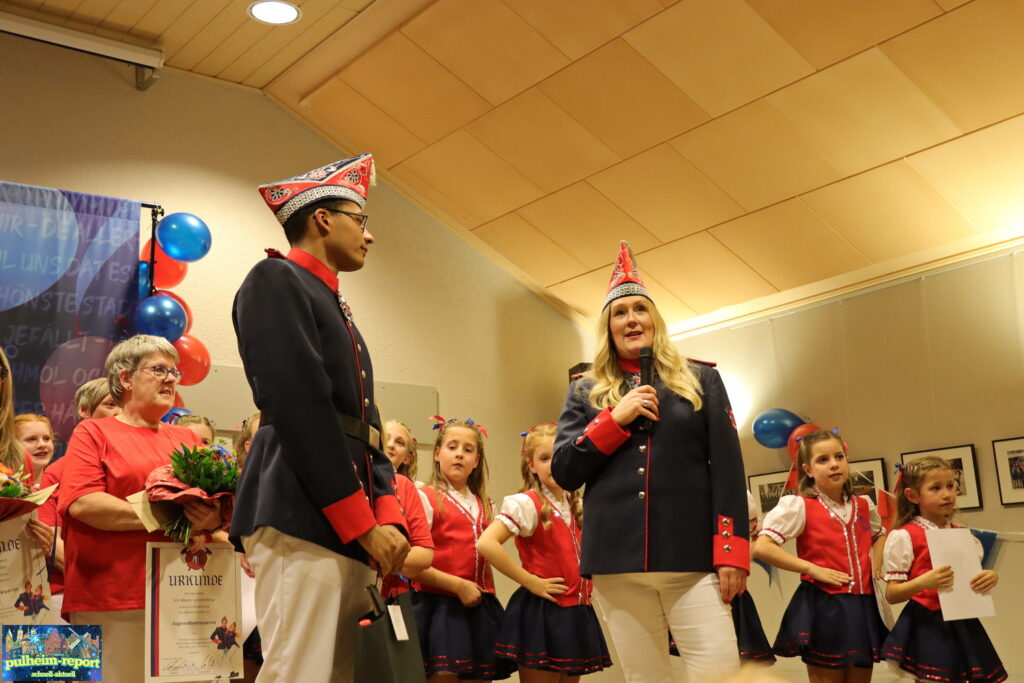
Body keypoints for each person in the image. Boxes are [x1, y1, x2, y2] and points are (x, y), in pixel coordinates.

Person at [231, 154, 409, 683]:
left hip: (339, 511)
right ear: (323, 219)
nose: (369, 236)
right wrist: (361, 522)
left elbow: (367, 427)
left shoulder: (332, 301)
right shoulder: (275, 278)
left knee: (330, 673)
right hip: (300, 506)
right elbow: (299, 409)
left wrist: (389, 512)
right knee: (298, 670)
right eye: (361, 220)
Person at [551, 242, 749, 682]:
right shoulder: (584, 390)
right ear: (608, 327)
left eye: (640, 309)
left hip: (692, 560)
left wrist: (732, 553)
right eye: (619, 313)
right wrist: (612, 420)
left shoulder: (702, 379)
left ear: (655, 320)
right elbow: (565, 471)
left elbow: (730, 472)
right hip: (615, 563)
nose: (631, 319)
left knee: (720, 673)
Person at [58, 334, 224, 681]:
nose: (170, 378)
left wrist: (212, 518)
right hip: (111, 596)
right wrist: (174, 518)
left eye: (174, 372)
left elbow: (211, 506)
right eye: (159, 369)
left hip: (182, 594)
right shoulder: (93, 432)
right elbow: (85, 504)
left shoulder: (187, 439)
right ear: (125, 378)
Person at [478, 423, 611, 682]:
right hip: (542, 613)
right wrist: (529, 581)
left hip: (575, 612)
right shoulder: (527, 504)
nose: (553, 464)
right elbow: (486, 543)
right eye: (544, 458)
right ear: (531, 466)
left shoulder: (578, 505)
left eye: (560, 455)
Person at [753, 429, 887, 682]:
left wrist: (876, 566)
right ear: (808, 469)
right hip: (825, 605)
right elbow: (762, 547)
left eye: (839, 457)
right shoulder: (799, 506)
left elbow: (880, 534)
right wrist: (811, 568)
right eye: (823, 460)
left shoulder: (863, 504)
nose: (834, 464)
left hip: (862, 604)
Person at [880, 456, 1005, 682]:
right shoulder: (905, 536)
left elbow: (971, 581)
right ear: (912, 495)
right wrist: (922, 582)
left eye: (950, 486)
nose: (946, 494)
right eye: (935, 488)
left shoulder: (963, 535)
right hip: (927, 625)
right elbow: (892, 594)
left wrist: (990, 577)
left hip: (963, 623)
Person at [413, 418, 515, 682]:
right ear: (437, 454)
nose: (459, 454)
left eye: (468, 450)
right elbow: (413, 565)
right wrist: (457, 585)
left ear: (477, 460)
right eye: (452, 447)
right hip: (439, 608)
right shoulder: (425, 498)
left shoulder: (486, 504)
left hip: (480, 607)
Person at [381, 419, 433, 601]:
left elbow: (424, 553)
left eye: (399, 442)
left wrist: (379, 555)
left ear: (407, 457)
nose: (390, 445)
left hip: (396, 593)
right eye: (385, 439)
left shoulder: (406, 487)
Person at [13, 414, 55, 486]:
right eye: (31, 439)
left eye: (46, 438)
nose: (42, 444)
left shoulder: (62, 484)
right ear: (12, 445)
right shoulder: (4, 486)